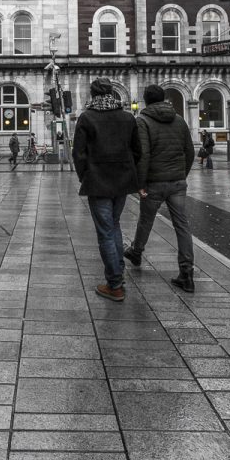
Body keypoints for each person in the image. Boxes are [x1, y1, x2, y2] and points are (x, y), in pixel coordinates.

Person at [72, 78, 141, 302]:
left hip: (98, 181)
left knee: (105, 232)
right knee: (114, 224)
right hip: (122, 180)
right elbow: (137, 150)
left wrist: (86, 175)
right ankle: (118, 273)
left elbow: (78, 153)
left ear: (92, 95)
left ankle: (114, 284)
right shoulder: (127, 117)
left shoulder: (87, 117)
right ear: (111, 93)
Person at [124, 85, 196, 292]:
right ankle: (186, 273)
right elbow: (189, 151)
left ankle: (137, 252)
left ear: (146, 101)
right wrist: (182, 174)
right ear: (163, 98)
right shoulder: (179, 120)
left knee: (146, 220)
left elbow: (143, 155)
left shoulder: (143, 121)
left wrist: (140, 183)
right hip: (177, 183)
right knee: (182, 226)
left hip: (154, 182)